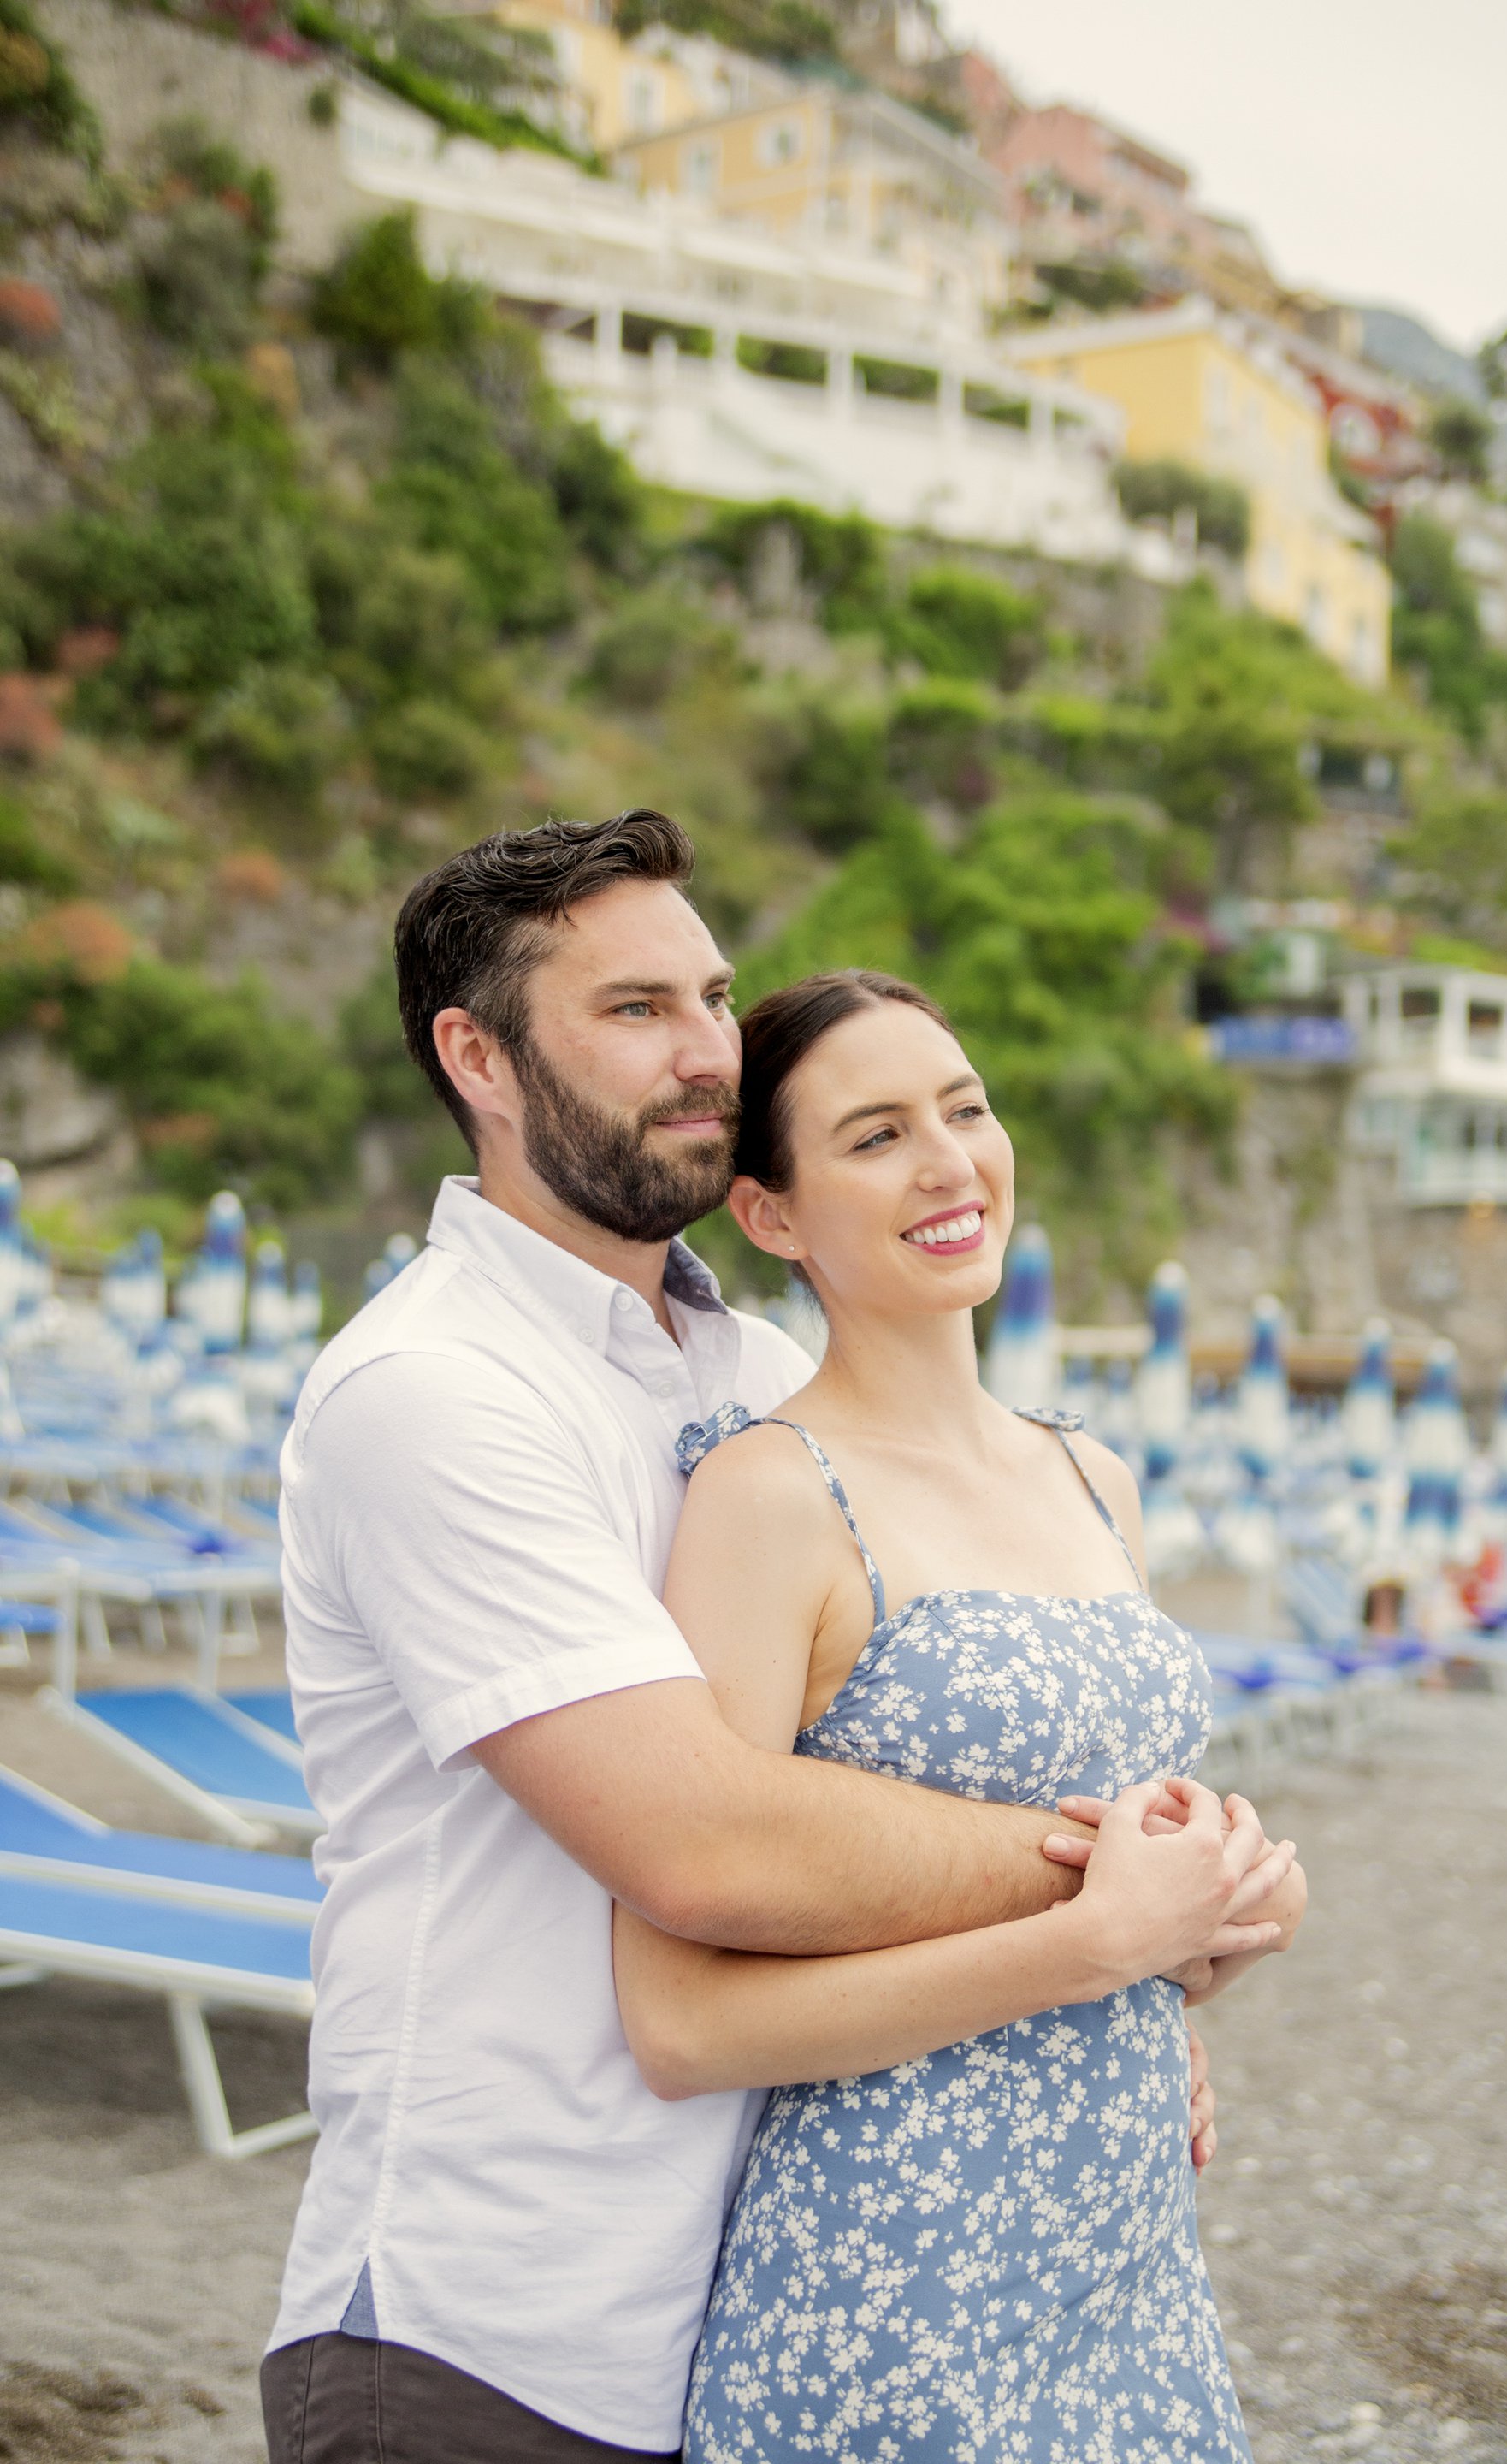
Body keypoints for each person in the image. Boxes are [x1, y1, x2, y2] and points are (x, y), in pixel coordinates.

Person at [261, 813, 1291, 2464]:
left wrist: (1145, 1980)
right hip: (496, 2323)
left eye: (715, 996)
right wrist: (1130, 1892)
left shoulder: (752, 1383)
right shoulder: (435, 1397)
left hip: (777, 2283)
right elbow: (706, 1845)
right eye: (634, 1011)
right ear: (480, 1057)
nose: (705, 1054)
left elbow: (910, 1766)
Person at [612, 967, 1308, 2462]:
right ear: (773, 1215)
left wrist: (1229, 1905)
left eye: (966, 1108)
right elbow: (680, 2021)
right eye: (874, 1137)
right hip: (889, 2284)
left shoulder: (1094, 1476)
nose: (948, 1162)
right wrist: (1093, 1943)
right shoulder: (769, 1496)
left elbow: (1114, 1895)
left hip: (1130, 2262)